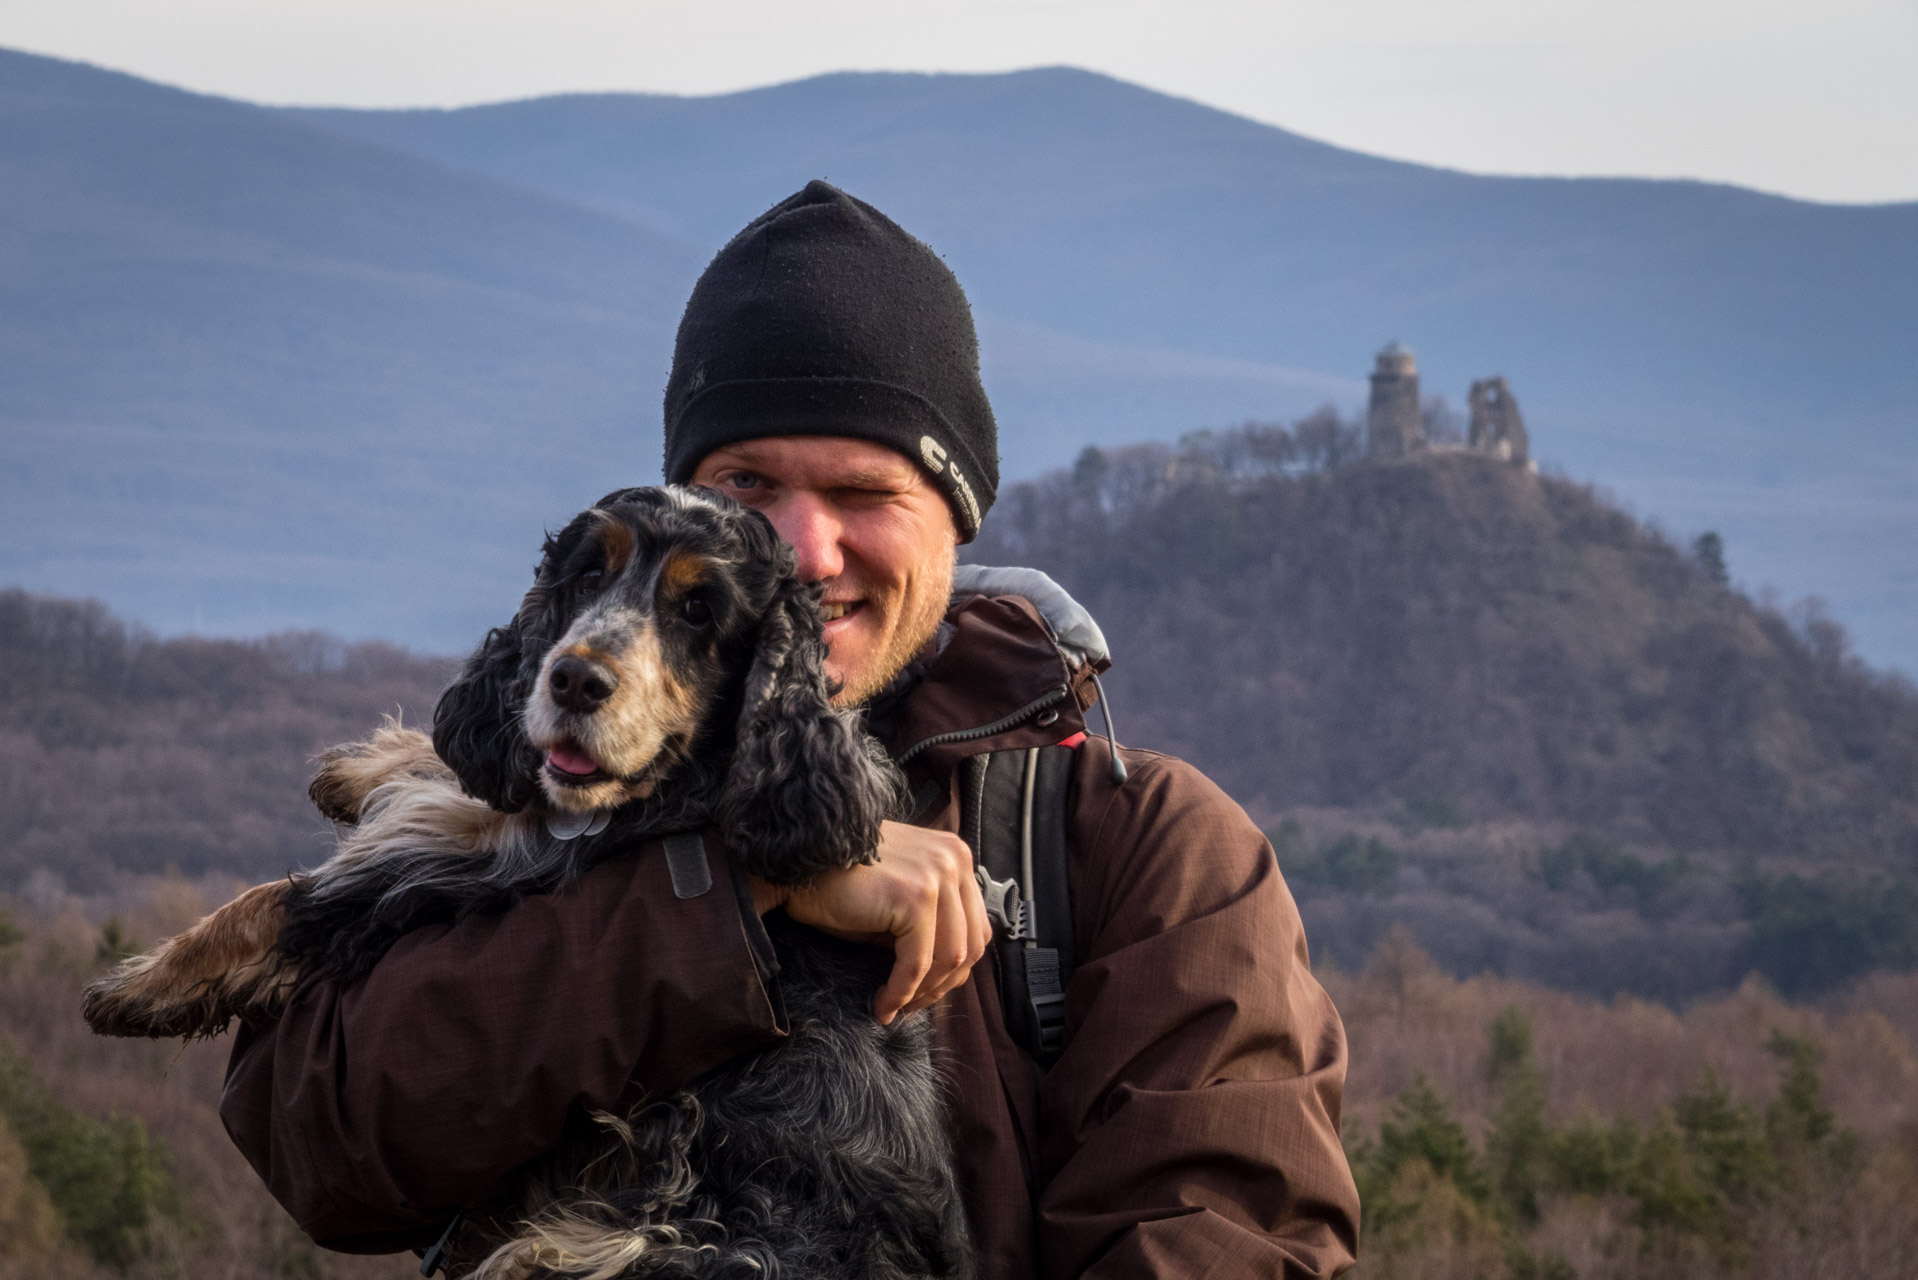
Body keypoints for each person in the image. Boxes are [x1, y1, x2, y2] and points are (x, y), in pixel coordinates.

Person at [221, 181, 1360, 1278]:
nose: (804, 551)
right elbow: (320, 1142)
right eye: (746, 483)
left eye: (865, 492)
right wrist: (729, 901)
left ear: (954, 520)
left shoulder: (1144, 852)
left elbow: (1219, 1232)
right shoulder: (541, 784)